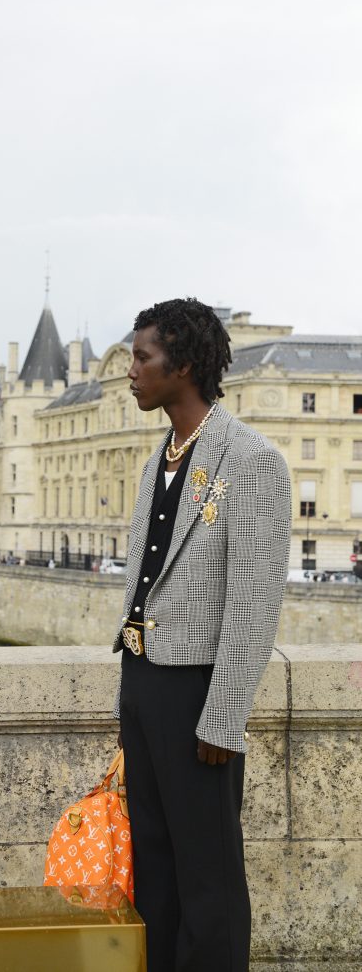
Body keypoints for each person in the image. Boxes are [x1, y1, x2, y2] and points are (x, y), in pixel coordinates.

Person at [113, 298, 291, 972]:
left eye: (141, 357)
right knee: (153, 861)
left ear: (181, 365)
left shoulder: (251, 461)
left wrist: (223, 718)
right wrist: (130, 695)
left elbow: (252, 603)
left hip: (198, 694)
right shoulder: (157, 456)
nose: (130, 371)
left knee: (207, 871)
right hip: (144, 682)